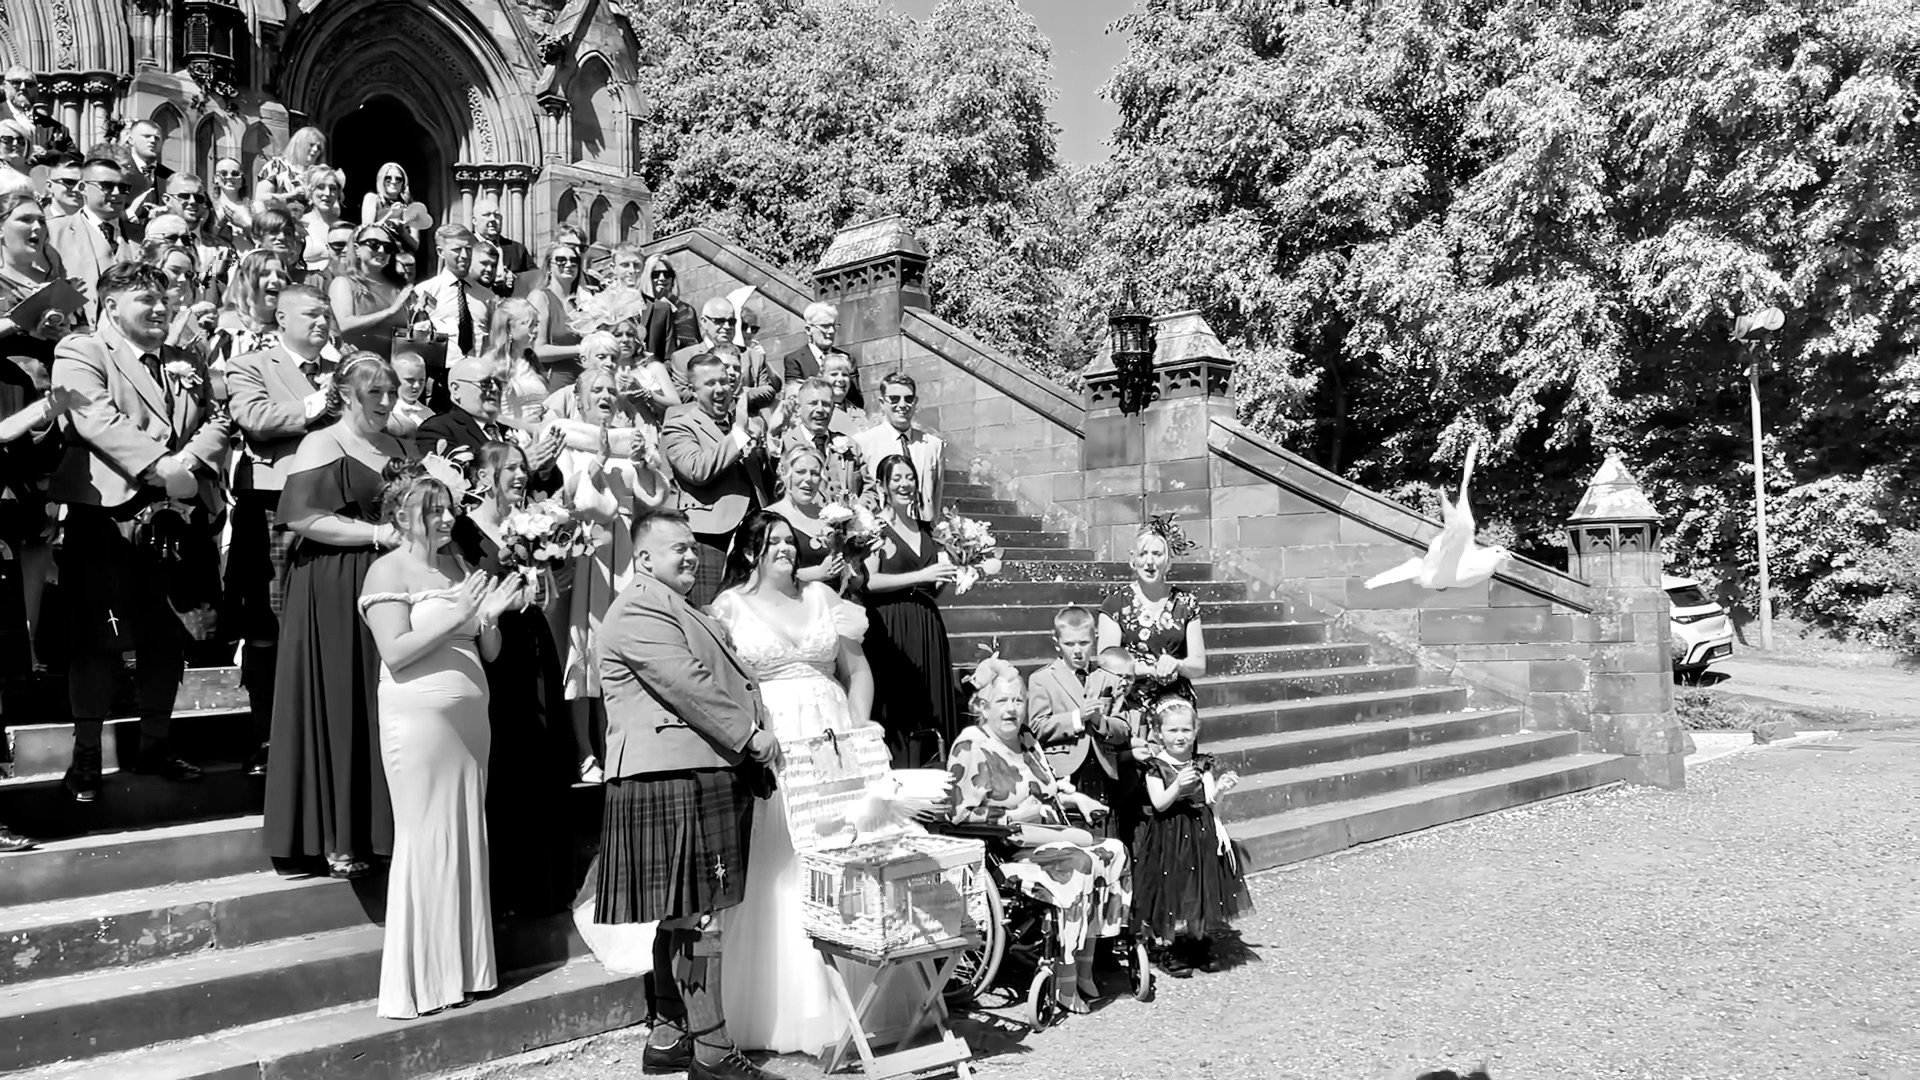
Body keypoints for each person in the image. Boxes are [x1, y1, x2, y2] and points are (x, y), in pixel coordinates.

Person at [593, 507, 782, 1080]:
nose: (691, 555)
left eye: (693, 547)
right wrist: (750, 734)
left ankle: (671, 1038)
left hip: (693, 771)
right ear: (644, 557)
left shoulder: (679, 607)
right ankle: (715, 1056)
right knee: (699, 919)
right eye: (678, 547)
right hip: (674, 773)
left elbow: (730, 675)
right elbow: (685, 683)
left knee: (683, 914)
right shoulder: (638, 607)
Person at [49, 262, 232, 802]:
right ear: (110, 306)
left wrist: (189, 464)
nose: (159, 309)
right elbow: (94, 419)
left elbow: (219, 418)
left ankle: (155, 744)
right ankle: (85, 760)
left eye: (162, 299)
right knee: (97, 644)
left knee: (166, 638)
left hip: (179, 513)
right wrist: (160, 465)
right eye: (144, 300)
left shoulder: (185, 357)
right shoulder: (81, 351)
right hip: (109, 519)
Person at [709, 510, 876, 1055]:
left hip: (832, 742)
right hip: (777, 745)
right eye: (773, 541)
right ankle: (788, 1007)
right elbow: (722, 683)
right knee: (783, 861)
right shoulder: (730, 607)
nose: (784, 548)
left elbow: (858, 672)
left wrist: (856, 731)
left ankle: (856, 998)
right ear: (752, 548)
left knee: (838, 857)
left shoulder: (824, 598)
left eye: (789, 540)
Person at [360, 466, 519, 1019]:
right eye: (435, 510)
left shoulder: (456, 565)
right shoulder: (387, 569)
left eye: (449, 507)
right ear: (403, 515)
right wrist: (455, 612)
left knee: (467, 836)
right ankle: (423, 979)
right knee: (427, 837)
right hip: (419, 720)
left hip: (472, 720)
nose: (448, 518)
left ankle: (465, 971)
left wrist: (489, 619)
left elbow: (489, 651)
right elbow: (397, 652)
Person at [264, 352, 413, 878]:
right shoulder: (320, 443)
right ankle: (337, 836)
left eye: (392, 393)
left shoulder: (398, 444)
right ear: (347, 393)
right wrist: (375, 535)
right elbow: (302, 516)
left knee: (382, 701)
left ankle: (384, 830)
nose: (388, 402)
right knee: (341, 697)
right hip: (331, 583)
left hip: (393, 583)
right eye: (376, 394)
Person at [948, 656, 1132, 1015]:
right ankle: (1064, 973)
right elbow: (958, 814)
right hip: (1008, 849)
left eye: (1018, 700)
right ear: (982, 707)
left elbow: (1047, 790)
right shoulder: (971, 746)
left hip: (1049, 835)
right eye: (1002, 701)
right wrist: (1014, 814)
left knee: (1114, 850)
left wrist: (1076, 796)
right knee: (1079, 861)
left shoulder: (1027, 739)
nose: (1012, 708)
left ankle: (1085, 961)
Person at [450, 441, 575, 916]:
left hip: (533, 639)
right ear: (485, 477)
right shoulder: (464, 529)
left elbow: (550, 585)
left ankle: (544, 882)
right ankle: (505, 886)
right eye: (508, 469)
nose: (519, 476)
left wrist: (547, 583)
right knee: (504, 754)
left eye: (523, 468)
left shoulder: (538, 519)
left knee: (541, 750)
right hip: (492, 648)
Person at [225, 284, 338, 777]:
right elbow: (254, 418)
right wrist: (320, 405)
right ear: (282, 317)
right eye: (311, 314)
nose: (321, 322)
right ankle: (267, 737)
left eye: (325, 315)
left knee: (326, 620)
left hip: (336, 505)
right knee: (269, 628)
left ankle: (321, 735)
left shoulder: (344, 370)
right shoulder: (251, 364)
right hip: (275, 505)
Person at [549, 362, 670, 784]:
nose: (604, 397)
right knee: (586, 649)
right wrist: (597, 463)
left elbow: (652, 501)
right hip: (590, 552)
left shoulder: (630, 439)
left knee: (625, 649)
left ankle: (619, 743)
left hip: (627, 551)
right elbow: (569, 498)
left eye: (609, 391)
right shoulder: (568, 440)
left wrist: (647, 464)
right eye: (595, 391)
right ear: (579, 399)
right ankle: (585, 751)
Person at [1133, 696, 1250, 978]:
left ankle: (1198, 941)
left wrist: (1221, 788)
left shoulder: (1201, 763)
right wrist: (1177, 786)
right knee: (1171, 887)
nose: (1180, 736)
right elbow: (1159, 803)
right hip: (1169, 834)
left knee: (1199, 886)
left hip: (1199, 833)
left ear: (1195, 731)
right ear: (1159, 733)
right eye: (1172, 730)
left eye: (1186, 730)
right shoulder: (1155, 766)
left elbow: (1210, 800)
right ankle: (1168, 946)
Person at [861, 453, 958, 766]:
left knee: (931, 706)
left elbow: (933, 586)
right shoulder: (876, 528)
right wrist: (920, 576)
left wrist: (952, 574)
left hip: (927, 624)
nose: (905, 484)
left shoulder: (929, 530)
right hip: (891, 628)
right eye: (897, 479)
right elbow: (869, 582)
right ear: (884, 486)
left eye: (909, 478)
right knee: (900, 709)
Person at [660, 353, 770, 609]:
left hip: (756, 532)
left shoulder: (745, 423)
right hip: (711, 536)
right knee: (712, 614)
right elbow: (697, 469)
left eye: (725, 381)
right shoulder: (679, 424)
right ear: (692, 389)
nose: (720, 389)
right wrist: (739, 435)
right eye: (710, 383)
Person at [1026, 606, 1132, 841]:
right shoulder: (1042, 679)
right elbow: (1037, 727)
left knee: (1107, 838)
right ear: (1057, 642)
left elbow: (1123, 728)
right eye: (1069, 644)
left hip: (1104, 772)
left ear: (1094, 640)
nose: (1077, 651)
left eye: (1083, 643)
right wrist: (1076, 718)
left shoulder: (1107, 678)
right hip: (1067, 774)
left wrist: (1100, 722)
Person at [1098, 517, 1208, 718]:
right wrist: (1152, 669)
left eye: (1157, 554)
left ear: (1168, 562)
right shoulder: (1115, 604)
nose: (1149, 562)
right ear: (1133, 559)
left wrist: (1178, 664)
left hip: (1175, 711)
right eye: (1143, 554)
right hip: (1130, 709)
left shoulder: (1186, 603)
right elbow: (1106, 664)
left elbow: (1199, 665)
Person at [48, 157, 139, 306]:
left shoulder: (142, 237)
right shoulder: (54, 233)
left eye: (123, 188)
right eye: (107, 186)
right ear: (83, 188)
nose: (117, 193)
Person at [853, 372, 942, 520]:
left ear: (915, 402)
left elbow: (936, 496)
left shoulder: (933, 445)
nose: (902, 405)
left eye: (908, 399)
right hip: (881, 529)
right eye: (894, 399)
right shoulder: (863, 443)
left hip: (922, 530)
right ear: (882, 403)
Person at [765, 447, 855, 592]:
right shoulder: (767, 519)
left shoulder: (829, 517)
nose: (808, 479)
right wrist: (816, 573)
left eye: (814, 473)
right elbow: (754, 574)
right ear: (784, 473)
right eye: (800, 472)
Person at [329, 223, 413, 358]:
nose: (381, 250)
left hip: (394, 365)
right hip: (360, 363)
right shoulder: (344, 283)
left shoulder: (398, 287)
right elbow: (344, 324)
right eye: (373, 244)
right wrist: (389, 311)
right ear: (356, 248)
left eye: (388, 247)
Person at [413, 223, 490, 365]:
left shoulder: (486, 296)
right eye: (457, 250)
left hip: (478, 373)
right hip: (440, 374)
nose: (464, 256)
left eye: (468, 249)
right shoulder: (425, 291)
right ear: (441, 252)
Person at [778, 378, 863, 502]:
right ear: (798, 408)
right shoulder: (785, 445)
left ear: (833, 408)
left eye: (826, 404)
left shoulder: (851, 445)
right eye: (813, 403)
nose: (820, 410)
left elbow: (869, 489)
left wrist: (858, 510)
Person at [209, 248, 289, 370]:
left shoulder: (294, 328)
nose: (275, 280)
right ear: (244, 279)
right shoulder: (223, 326)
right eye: (264, 274)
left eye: (281, 275)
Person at [527, 240, 586, 391]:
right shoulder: (541, 297)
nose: (568, 264)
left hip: (581, 384)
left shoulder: (579, 304)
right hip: (553, 384)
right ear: (549, 267)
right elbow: (536, 350)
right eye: (561, 260)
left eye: (574, 261)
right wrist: (581, 349)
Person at [167, 174, 237, 301]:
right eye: (184, 196)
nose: (193, 202)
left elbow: (232, 293)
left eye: (199, 198)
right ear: (167, 200)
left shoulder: (222, 249)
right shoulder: (157, 242)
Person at [480, 297, 546, 429]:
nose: (536, 331)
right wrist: (526, 427)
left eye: (536, 324)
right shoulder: (489, 363)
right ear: (509, 329)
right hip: (510, 437)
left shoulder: (531, 359)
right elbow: (485, 412)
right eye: (529, 325)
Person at [783, 302, 860, 409]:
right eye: (825, 326)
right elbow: (794, 398)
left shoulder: (847, 359)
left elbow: (858, 401)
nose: (831, 331)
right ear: (809, 330)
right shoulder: (795, 360)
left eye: (833, 326)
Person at [3, 68, 74, 165]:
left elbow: (75, 159)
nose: (23, 87)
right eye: (17, 82)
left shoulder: (55, 128)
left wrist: (48, 155)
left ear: (37, 89)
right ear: (5, 86)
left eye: (29, 84)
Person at [359, 163, 430, 252]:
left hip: (403, 258)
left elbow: (415, 245)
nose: (393, 182)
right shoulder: (372, 199)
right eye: (388, 178)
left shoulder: (410, 206)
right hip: (379, 253)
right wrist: (389, 215)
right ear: (381, 180)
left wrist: (402, 231)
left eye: (398, 179)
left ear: (404, 182)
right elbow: (366, 232)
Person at [640, 254, 697, 365]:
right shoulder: (641, 307)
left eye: (667, 274)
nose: (662, 278)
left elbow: (695, 346)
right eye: (655, 274)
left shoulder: (686, 311)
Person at [120, 120, 171, 226]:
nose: (152, 141)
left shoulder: (169, 177)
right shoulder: (118, 172)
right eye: (147, 136)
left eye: (157, 138)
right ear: (131, 140)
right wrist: (130, 213)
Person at [298, 167, 348, 275]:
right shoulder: (300, 224)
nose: (327, 193)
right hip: (308, 286)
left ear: (338, 193)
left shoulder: (344, 228)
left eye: (333, 188)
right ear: (311, 190)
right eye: (320, 187)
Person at [473, 195, 532, 280]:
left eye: (497, 215)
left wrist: (515, 277)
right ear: (474, 220)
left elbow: (534, 277)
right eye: (487, 215)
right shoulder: (467, 247)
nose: (493, 219)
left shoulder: (517, 249)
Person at [387, 349, 434, 436]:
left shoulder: (429, 415)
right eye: (410, 380)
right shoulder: (385, 410)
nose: (417, 385)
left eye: (421, 380)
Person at [209, 156, 252, 245]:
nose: (229, 177)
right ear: (216, 179)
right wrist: (218, 225)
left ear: (242, 179)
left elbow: (266, 241)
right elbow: (201, 241)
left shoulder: (255, 208)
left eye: (235, 173)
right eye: (223, 173)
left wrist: (243, 224)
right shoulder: (208, 208)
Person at [819, 353, 865, 434]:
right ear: (822, 378)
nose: (840, 379)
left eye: (845, 375)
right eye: (834, 374)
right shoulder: (818, 411)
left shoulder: (860, 413)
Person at [43, 153, 86, 220]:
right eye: (69, 182)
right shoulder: (35, 224)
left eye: (83, 183)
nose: (78, 188)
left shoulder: (99, 222)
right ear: (49, 186)